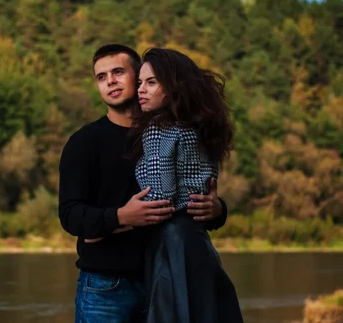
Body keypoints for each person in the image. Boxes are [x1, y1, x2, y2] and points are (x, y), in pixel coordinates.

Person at [58, 44, 229, 322]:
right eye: (101, 77)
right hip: (106, 288)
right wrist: (121, 216)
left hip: (169, 278)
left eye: (118, 72)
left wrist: (218, 209)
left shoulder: (173, 133)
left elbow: (191, 202)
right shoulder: (84, 142)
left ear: (140, 77)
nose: (110, 81)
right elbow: (70, 215)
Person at [133, 47, 243, 322]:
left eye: (151, 82)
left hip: (172, 245)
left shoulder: (157, 129)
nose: (141, 90)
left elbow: (162, 198)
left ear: (172, 87)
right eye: (139, 83)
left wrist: (119, 217)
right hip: (198, 243)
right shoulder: (197, 129)